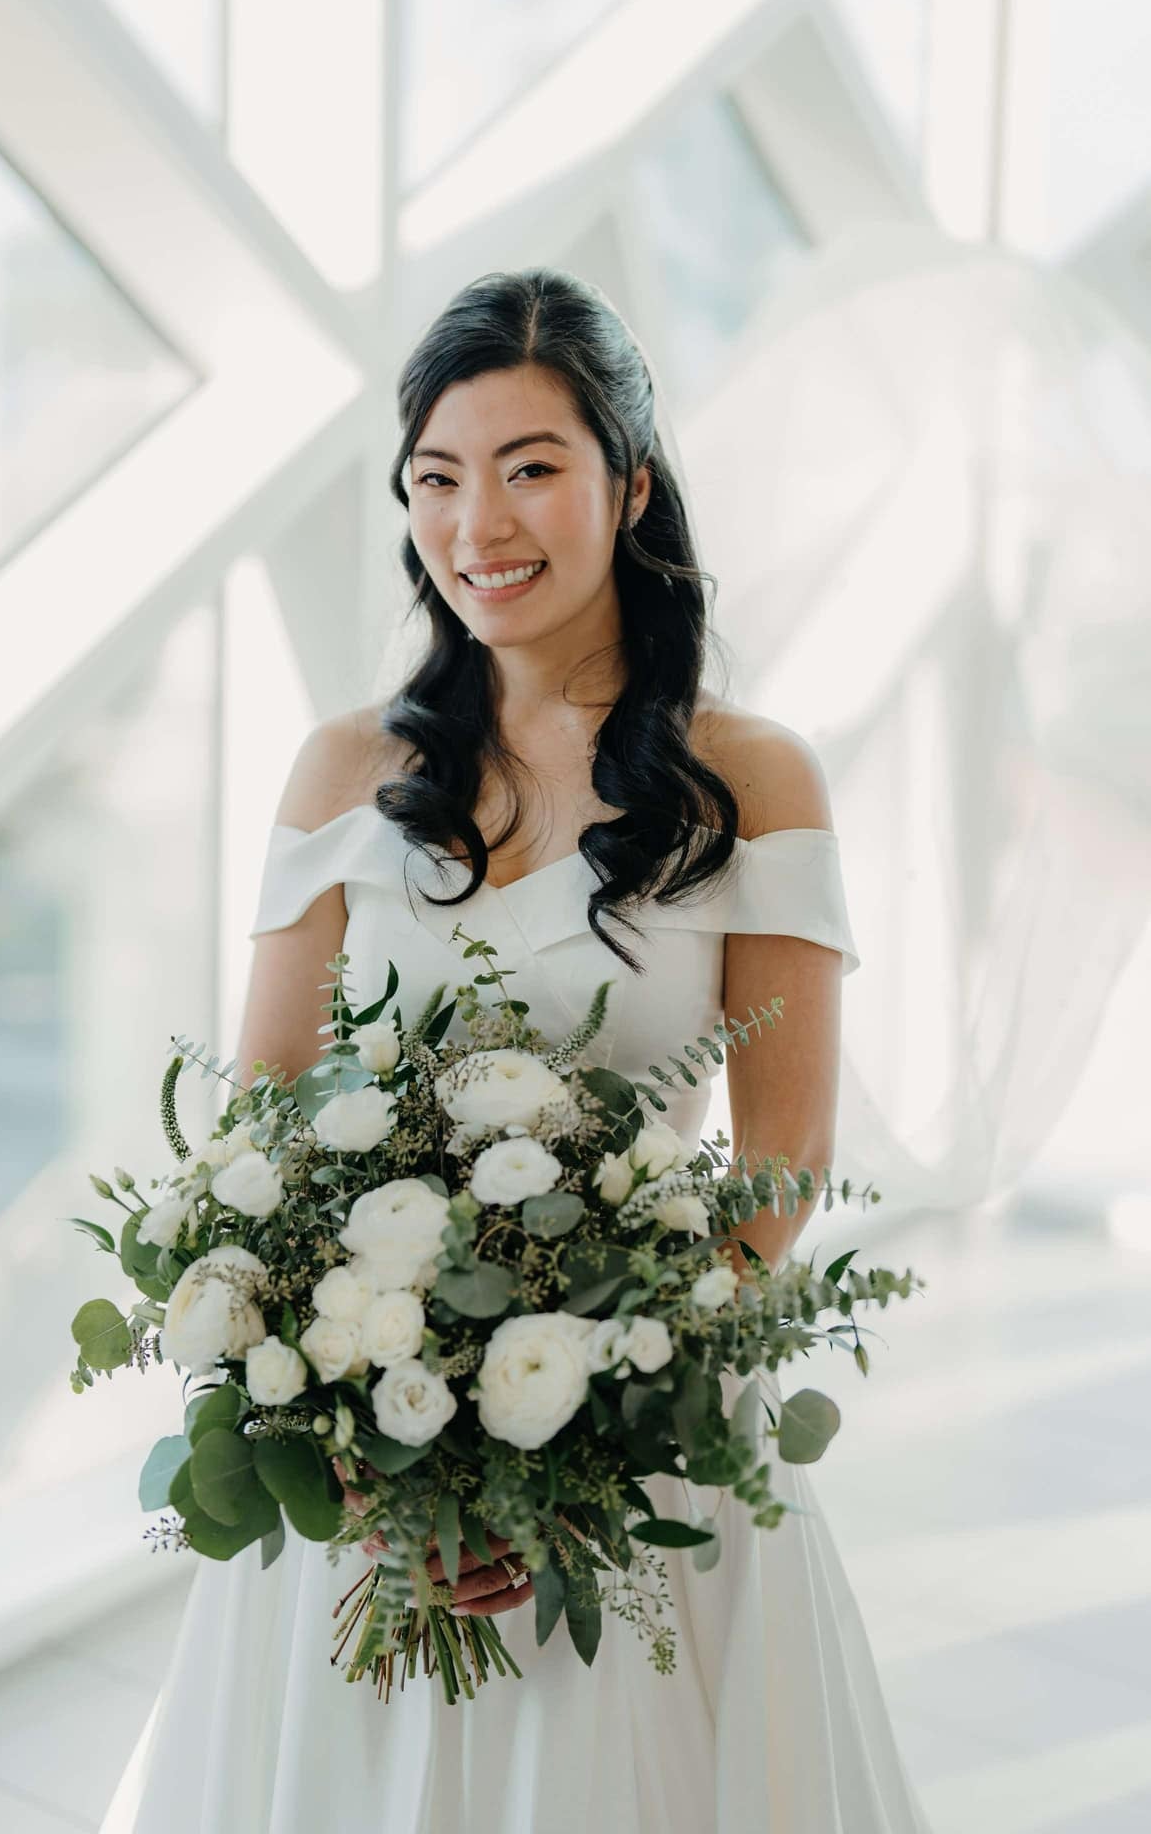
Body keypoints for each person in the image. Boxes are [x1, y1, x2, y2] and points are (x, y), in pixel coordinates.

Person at [98, 268, 931, 1831]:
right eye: (436, 477)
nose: (477, 521)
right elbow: (262, 1126)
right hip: (365, 1453)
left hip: (639, 1445)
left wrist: (566, 1449)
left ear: (627, 480)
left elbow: (778, 1165)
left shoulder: (752, 779)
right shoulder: (344, 766)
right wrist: (357, 1448)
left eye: (529, 466)